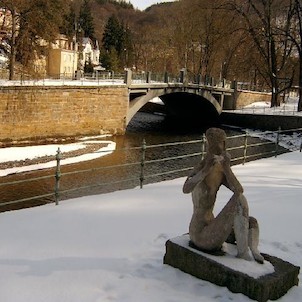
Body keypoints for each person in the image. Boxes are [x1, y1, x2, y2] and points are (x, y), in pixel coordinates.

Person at [183, 127, 264, 263]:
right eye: (222, 143)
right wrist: (205, 170)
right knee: (239, 201)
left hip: (213, 226)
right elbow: (186, 188)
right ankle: (243, 253)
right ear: (212, 145)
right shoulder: (201, 167)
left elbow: (239, 190)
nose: (225, 146)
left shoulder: (220, 170)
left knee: (251, 222)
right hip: (200, 234)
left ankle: (253, 250)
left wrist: (227, 168)